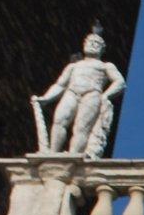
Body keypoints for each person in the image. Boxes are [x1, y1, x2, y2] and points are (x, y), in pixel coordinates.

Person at [31, 26, 126, 157]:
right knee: (59, 121)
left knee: (81, 128)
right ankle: (53, 153)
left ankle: (74, 156)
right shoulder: (73, 66)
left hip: (91, 95)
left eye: (97, 43)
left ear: (102, 49)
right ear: (84, 44)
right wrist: (46, 98)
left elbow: (120, 82)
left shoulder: (105, 66)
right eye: (90, 41)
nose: (92, 44)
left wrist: (105, 95)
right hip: (71, 93)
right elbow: (60, 85)